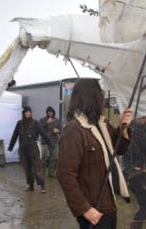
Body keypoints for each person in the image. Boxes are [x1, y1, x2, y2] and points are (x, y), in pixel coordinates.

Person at [57, 78, 132, 229]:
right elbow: (65, 175)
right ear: (90, 97)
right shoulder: (74, 131)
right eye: (99, 93)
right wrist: (84, 209)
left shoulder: (102, 124)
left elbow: (119, 150)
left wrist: (123, 126)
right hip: (93, 210)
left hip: (109, 203)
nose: (102, 97)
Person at [8, 106, 54, 193]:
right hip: (23, 149)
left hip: (33, 148)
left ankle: (42, 186)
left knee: (37, 168)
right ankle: (30, 185)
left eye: (29, 112)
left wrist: (51, 144)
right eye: (26, 112)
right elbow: (14, 136)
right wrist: (10, 147)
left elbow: (44, 134)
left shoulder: (35, 123)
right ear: (23, 113)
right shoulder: (19, 123)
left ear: (31, 113)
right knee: (27, 169)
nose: (27, 113)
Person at [39, 106, 61, 177]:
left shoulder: (57, 120)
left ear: (53, 112)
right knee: (44, 158)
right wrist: (46, 123)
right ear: (47, 113)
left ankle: (51, 173)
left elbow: (61, 130)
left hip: (54, 142)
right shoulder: (42, 120)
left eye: (52, 112)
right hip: (45, 142)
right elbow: (39, 129)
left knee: (53, 158)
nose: (50, 113)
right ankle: (42, 172)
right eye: (49, 112)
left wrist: (58, 131)